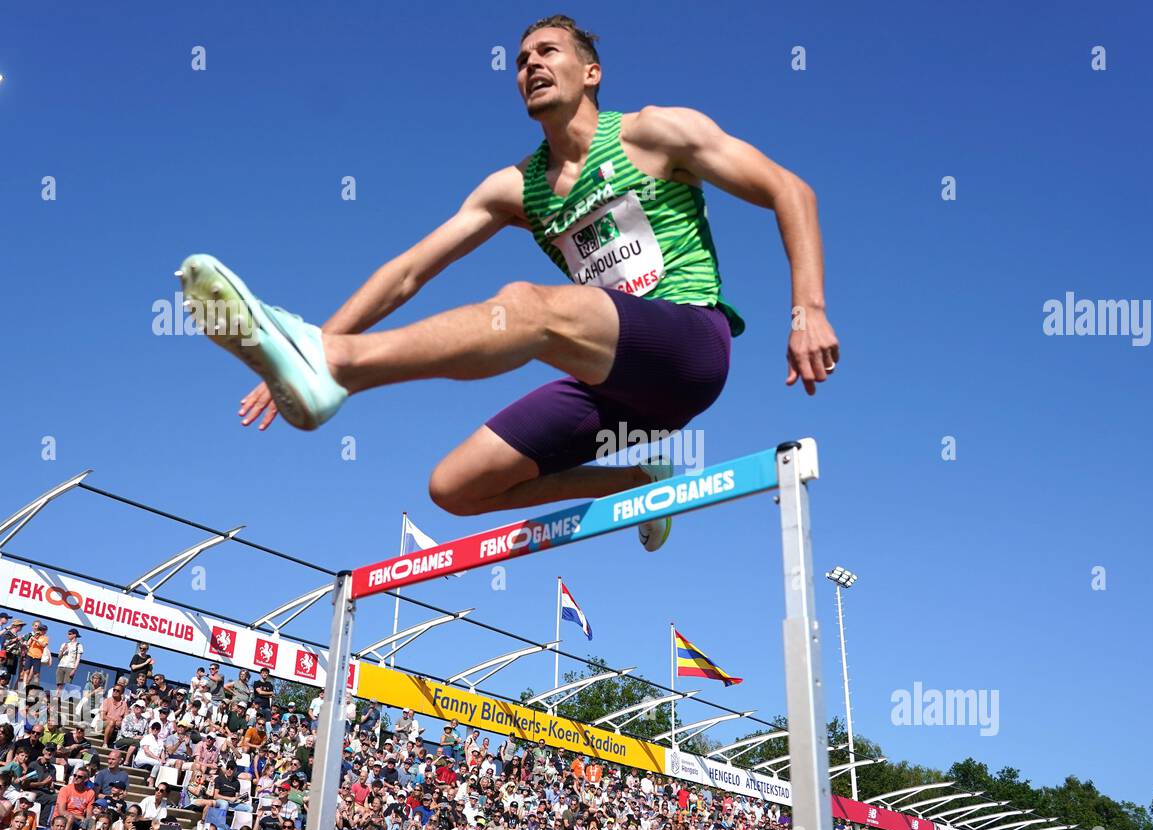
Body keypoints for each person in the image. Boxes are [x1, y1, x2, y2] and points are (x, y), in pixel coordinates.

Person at [180, 14, 837, 555]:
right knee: (455, 488)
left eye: (548, 52)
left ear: (591, 72)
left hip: (689, 349)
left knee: (525, 308)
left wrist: (807, 309)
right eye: (520, 60)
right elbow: (408, 271)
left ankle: (336, 366)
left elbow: (790, 189)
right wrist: (306, 344)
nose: (530, 65)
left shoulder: (655, 133)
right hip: (617, 388)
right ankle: (636, 481)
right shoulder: (513, 188)